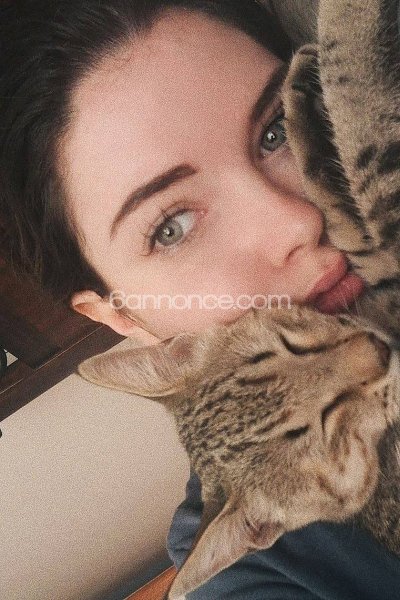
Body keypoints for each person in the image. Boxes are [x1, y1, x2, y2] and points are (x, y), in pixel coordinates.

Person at [0, 1, 399, 598]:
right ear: (119, 315)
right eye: (172, 227)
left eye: (277, 131)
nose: (295, 222)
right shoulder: (259, 571)